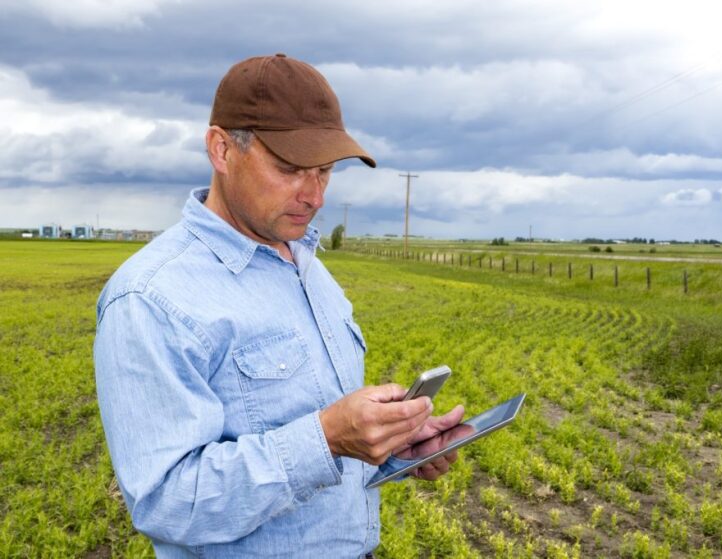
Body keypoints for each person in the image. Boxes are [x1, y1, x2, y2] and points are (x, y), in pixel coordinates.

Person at [94, 53, 464, 558]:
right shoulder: (150, 298)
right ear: (221, 150)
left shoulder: (307, 263)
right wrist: (327, 439)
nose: (314, 196)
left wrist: (390, 447)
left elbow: (312, 428)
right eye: (290, 168)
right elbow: (166, 501)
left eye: (326, 171)